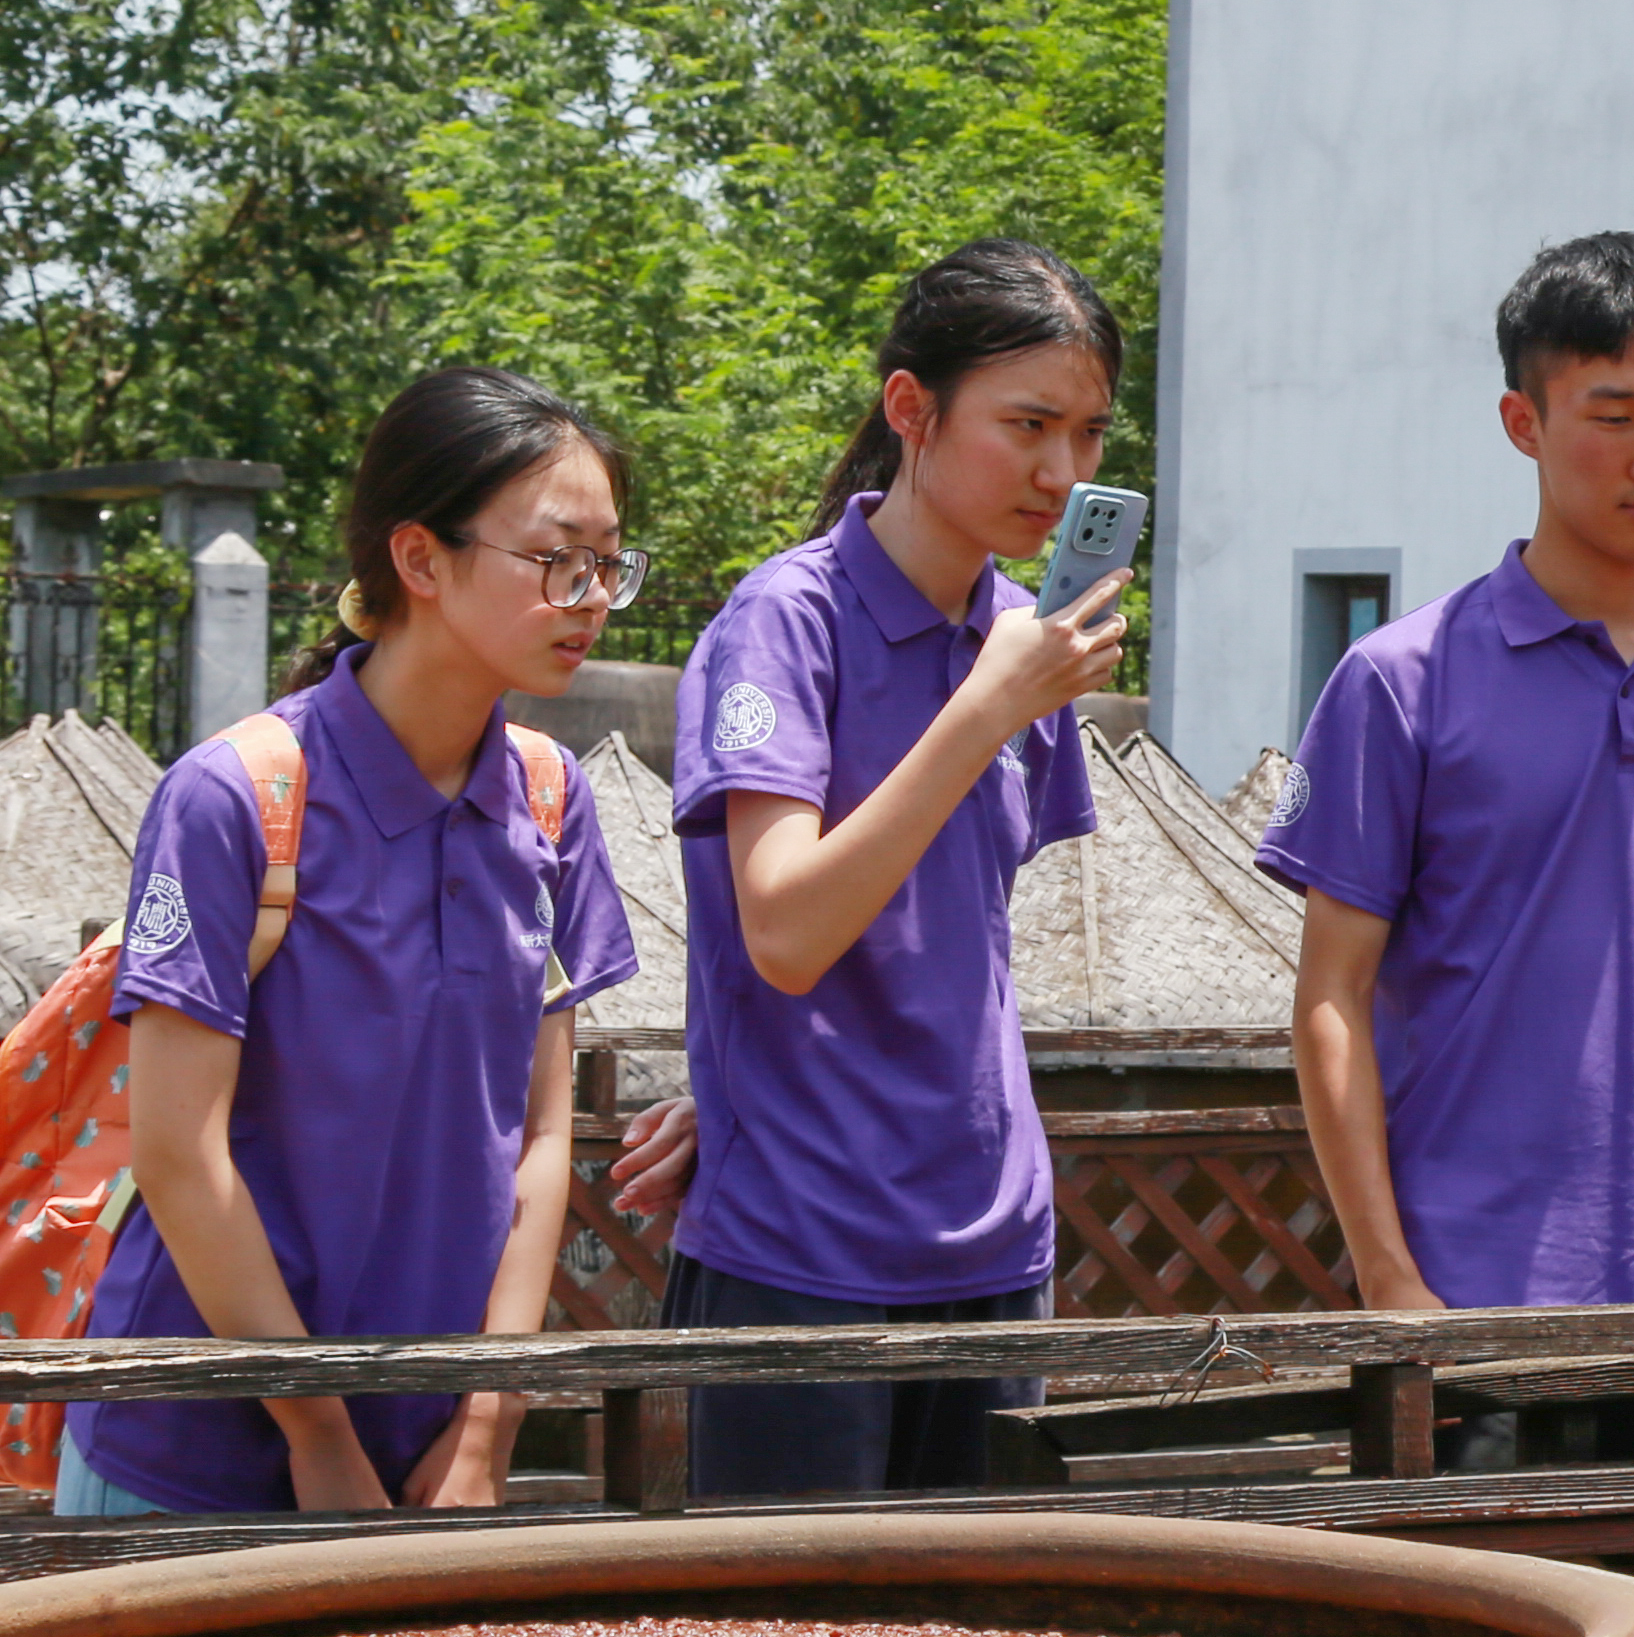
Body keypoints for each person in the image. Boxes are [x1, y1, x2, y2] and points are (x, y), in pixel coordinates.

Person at [1261, 234, 1634, 1464]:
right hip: (1477, 1306)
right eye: (1613, 414)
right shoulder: (1401, 683)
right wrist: (1388, 1278)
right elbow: (1330, 999)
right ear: (1523, 421)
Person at [58, 368, 646, 1516]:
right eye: (556, 560)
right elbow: (181, 1154)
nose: (591, 598)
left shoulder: (549, 797)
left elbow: (538, 1136)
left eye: (609, 564)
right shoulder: (233, 798)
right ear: (419, 560)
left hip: (435, 1454)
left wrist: (489, 1418)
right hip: (191, 1454)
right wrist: (315, 1431)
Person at [659, 238, 1134, 1500]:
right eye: (1027, 423)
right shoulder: (786, 621)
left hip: (993, 1237)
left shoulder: (1025, 641)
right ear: (910, 410)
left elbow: (946, 940)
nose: (1062, 471)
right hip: (799, 1246)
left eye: (1088, 433)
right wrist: (986, 705)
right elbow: (788, 931)